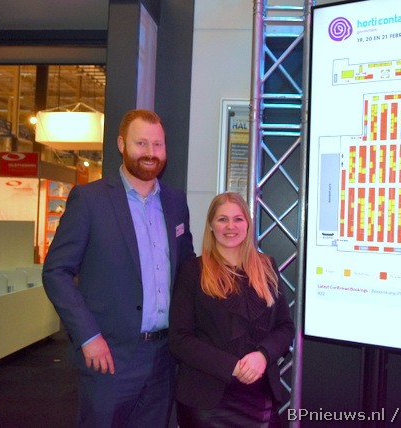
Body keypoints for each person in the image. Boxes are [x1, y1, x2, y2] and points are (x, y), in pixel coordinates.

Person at [42, 109, 195, 428]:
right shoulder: (90, 200)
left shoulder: (175, 202)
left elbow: (187, 270)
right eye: (141, 143)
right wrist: (88, 336)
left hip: (164, 358)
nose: (151, 152)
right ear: (121, 144)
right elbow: (56, 272)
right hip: (109, 355)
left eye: (158, 144)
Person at [169, 192, 295, 427]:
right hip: (206, 403)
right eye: (222, 219)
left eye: (238, 219)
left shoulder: (267, 266)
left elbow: (285, 327)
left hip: (260, 398)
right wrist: (232, 367)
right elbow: (179, 339)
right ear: (211, 225)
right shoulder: (192, 271)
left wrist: (263, 356)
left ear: (248, 224)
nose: (231, 226)